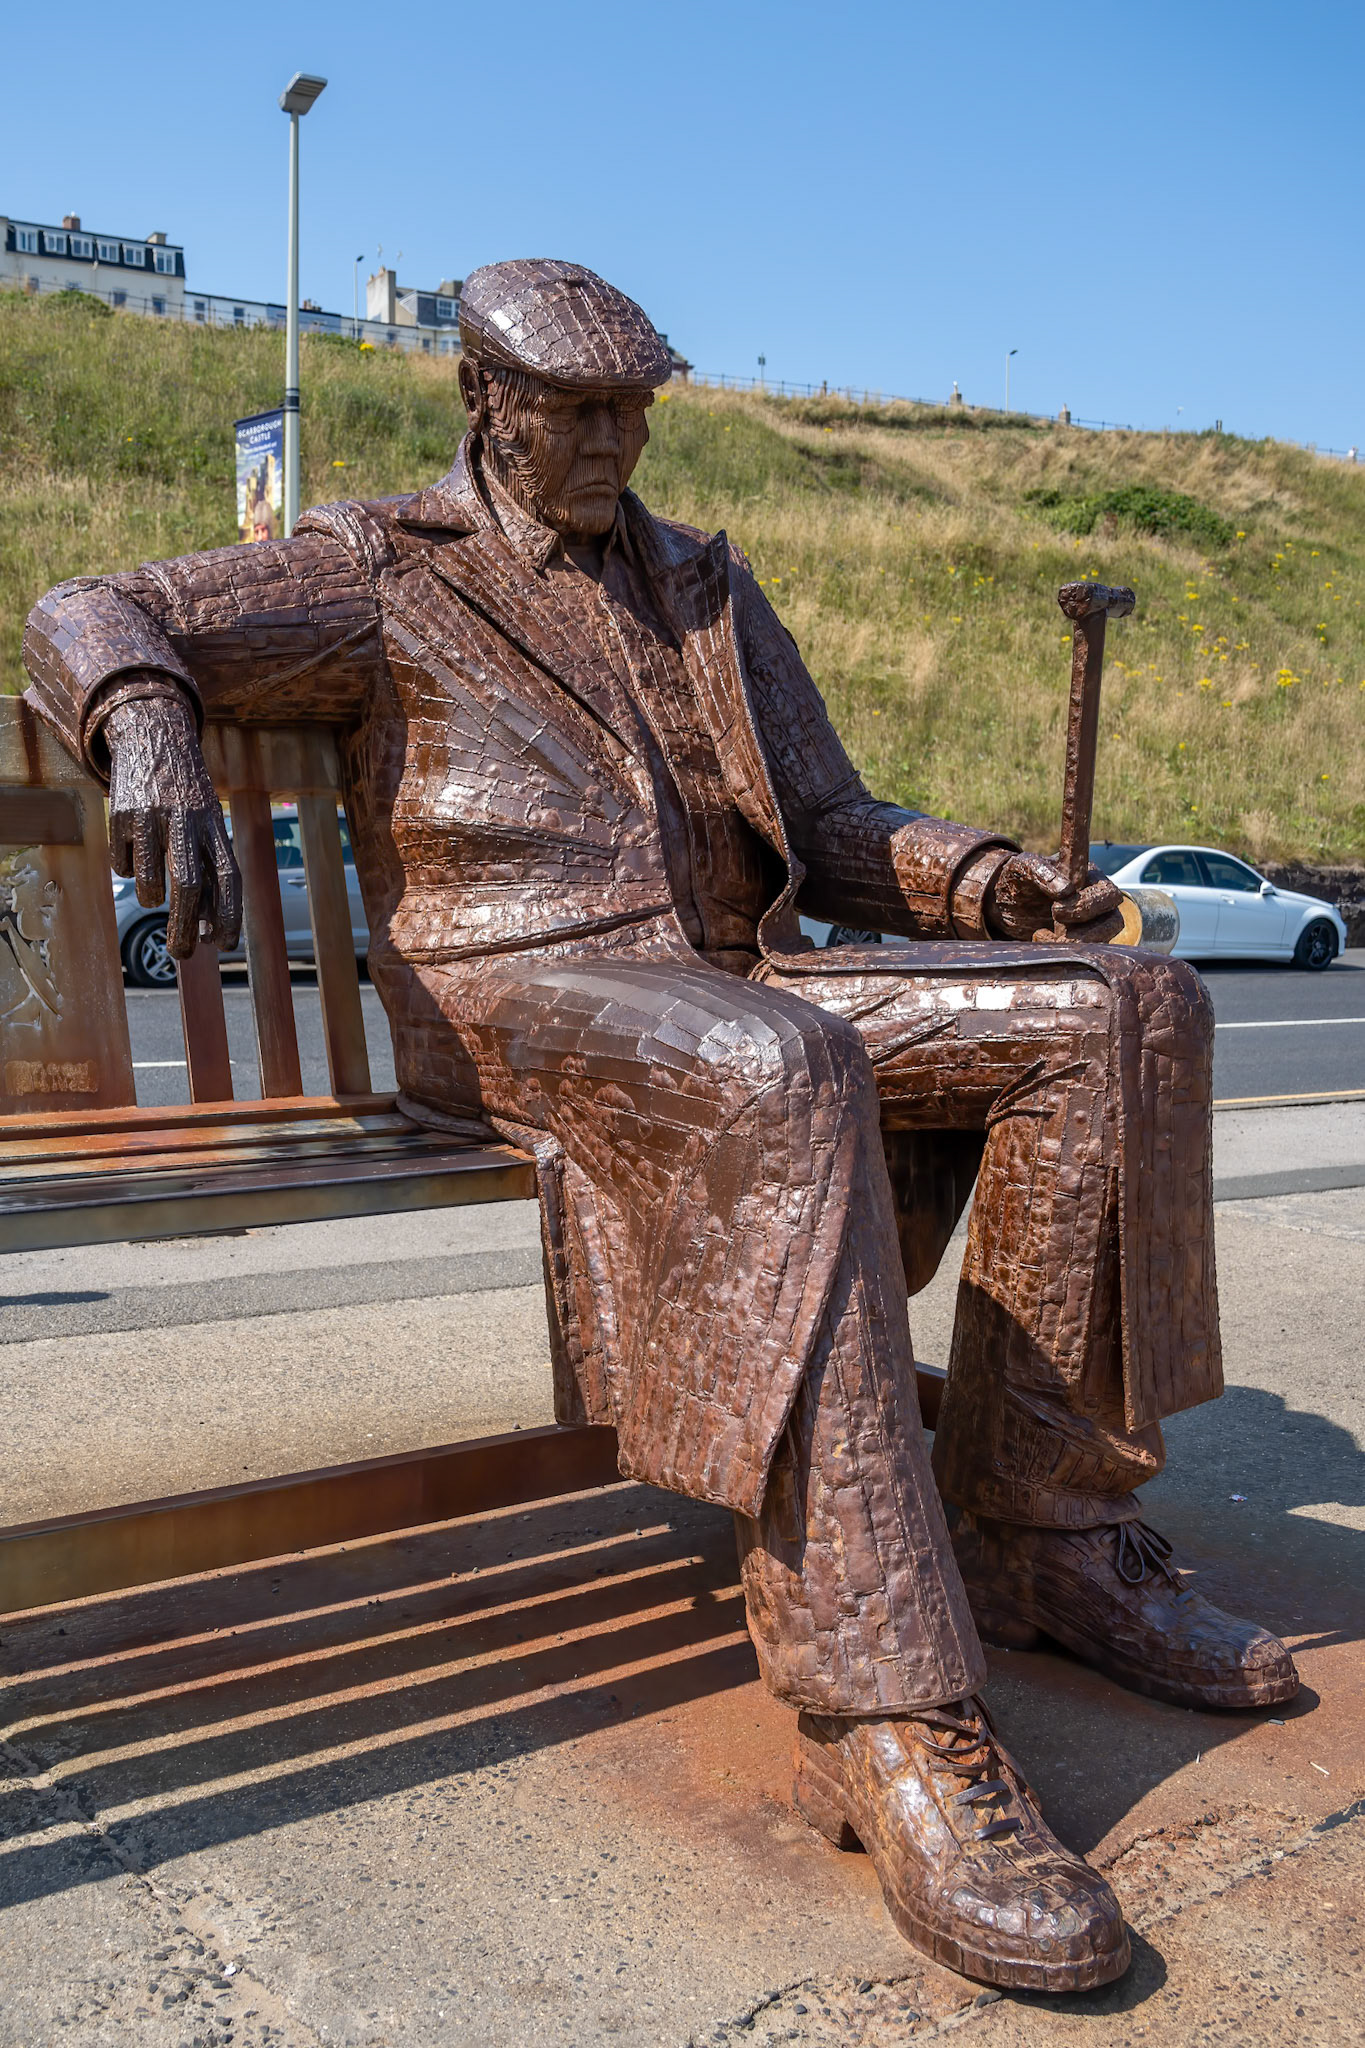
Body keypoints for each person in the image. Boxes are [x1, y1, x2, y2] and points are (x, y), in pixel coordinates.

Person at [22, 259, 1297, 1995]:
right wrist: (148, 723)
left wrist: (982, 880)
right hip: (513, 1000)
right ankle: (888, 1700)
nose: (622, 438)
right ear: (488, 400)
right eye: (583, 410)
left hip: (716, 985)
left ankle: (1042, 1524)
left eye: (640, 406)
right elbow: (93, 603)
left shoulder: (701, 585)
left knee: (1123, 1011)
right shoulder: (381, 569)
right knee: (771, 1064)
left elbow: (834, 820)